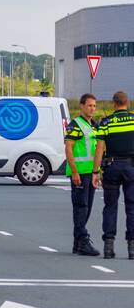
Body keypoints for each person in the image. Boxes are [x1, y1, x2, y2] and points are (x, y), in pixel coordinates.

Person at [93, 91, 134, 259]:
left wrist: (95, 171)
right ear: (128, 103)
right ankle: (132, 249)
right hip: (132, 167)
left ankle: (108, 247)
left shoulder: (106, 122)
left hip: (111, 167)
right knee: (132, 208)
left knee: (110, 207)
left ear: (114, 104)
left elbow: (99, 148)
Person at [65, 94, 100, 256]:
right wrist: (74, 171)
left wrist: (97, 171)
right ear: (81, 106)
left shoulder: (93, 125)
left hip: (90, 173)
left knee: (87, 208)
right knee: (81, 207)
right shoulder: (76, 125)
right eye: (89, 105)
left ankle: (77, 243)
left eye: (94, 106)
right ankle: (83, 241)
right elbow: (68, 148)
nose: (92, 108)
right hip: (79, 172)